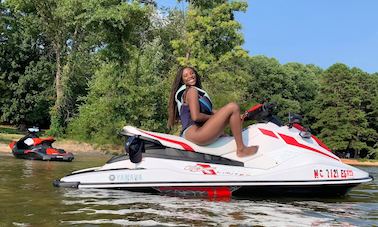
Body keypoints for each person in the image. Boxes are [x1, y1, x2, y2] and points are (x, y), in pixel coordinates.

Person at [168, 67, 258, 157]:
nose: (190, 76)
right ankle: (241, 149)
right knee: (233, 106)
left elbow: (215, 112)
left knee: (229, 121)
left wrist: (236, 116)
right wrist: (223, 117)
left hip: (194, 133)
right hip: (196, 133)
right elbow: (196, 117)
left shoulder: (196, 94)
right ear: (182, 81)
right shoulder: (192, 91)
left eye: (192, 73)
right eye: (185, 76)